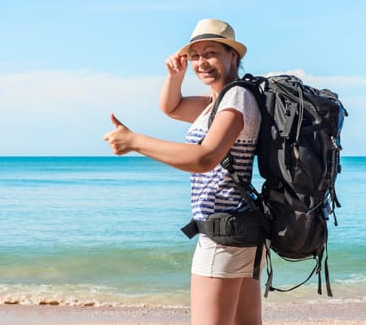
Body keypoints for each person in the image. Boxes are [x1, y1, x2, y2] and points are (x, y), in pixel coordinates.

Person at [103, 18, 263, 325]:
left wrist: (135, 142)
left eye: (211, 52)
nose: (202, 62)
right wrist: (176, 74)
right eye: (196, 55)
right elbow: (171, 107)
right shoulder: (218, 101)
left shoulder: (237, 98)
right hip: (239, 230)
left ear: (233, 56)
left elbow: (204, 158)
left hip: (223, 236)